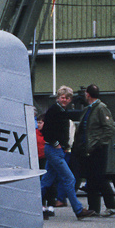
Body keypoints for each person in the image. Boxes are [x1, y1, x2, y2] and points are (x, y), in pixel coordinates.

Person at [40, 87, 88, 219]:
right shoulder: (56, 111)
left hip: (54, 150)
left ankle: (32, 205)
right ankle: (78, 210)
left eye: (67, 98)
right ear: (58, 98)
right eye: (62, 97)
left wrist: (62, 145)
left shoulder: (59, 110)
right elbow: (47, 132)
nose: (64, 100)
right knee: (69, 178)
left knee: (46, 180)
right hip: (54, 150)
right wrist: (57, 144)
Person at [75, 84, 115, 217]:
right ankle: (94, 208)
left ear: (87, 94)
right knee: (91, 178)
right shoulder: (90, 109)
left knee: (99, 177)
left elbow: (110, 128)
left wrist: (99, 143)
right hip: (89, 149)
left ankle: (112, 206)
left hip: (98, 148)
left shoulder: (100, 108)